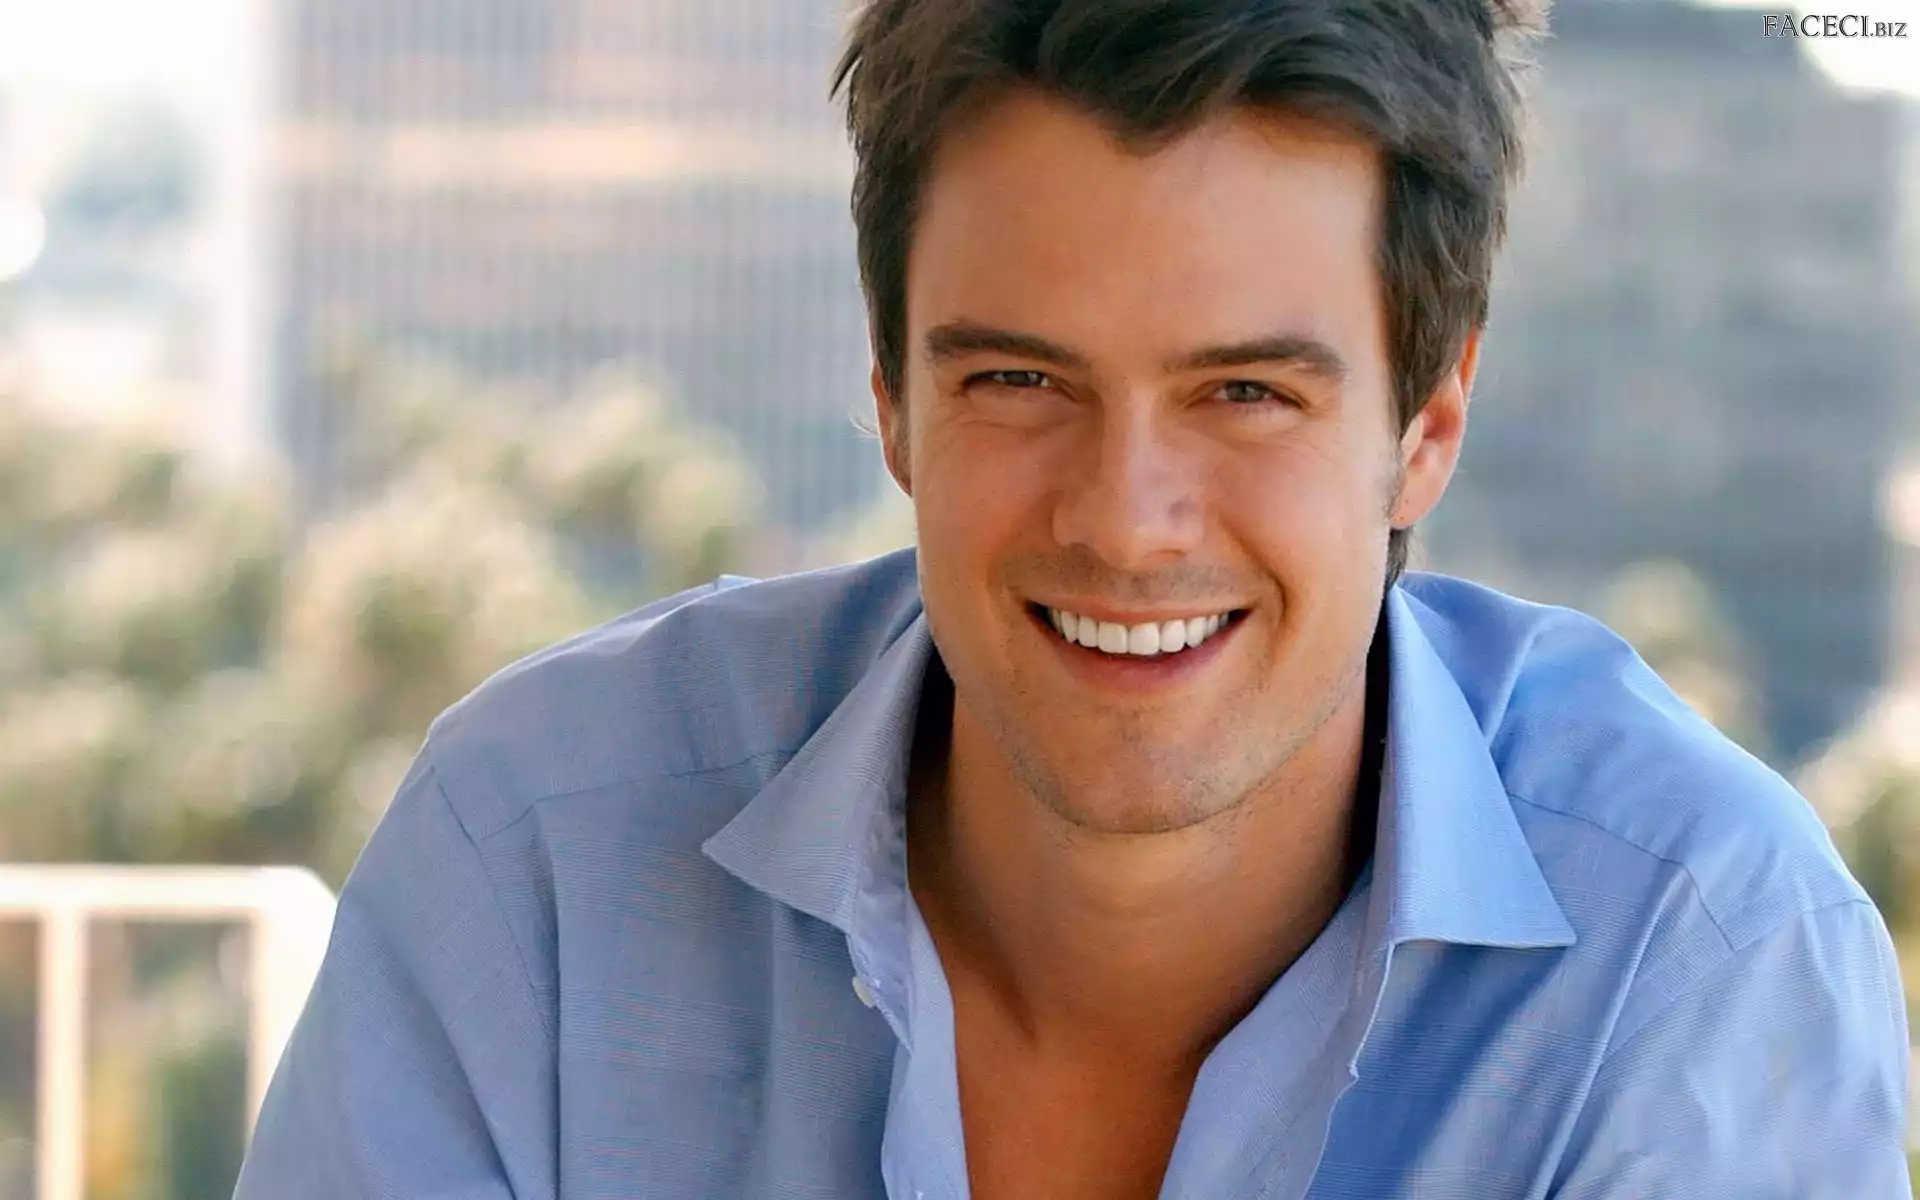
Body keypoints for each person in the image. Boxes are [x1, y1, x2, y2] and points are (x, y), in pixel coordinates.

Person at [233, 1, 1912, 1197]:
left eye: (1246, 393)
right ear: (891, 394)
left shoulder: (1696, 963)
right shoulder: (537, 854)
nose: (1124, 521)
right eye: (1021, 380)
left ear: (1427, 428)